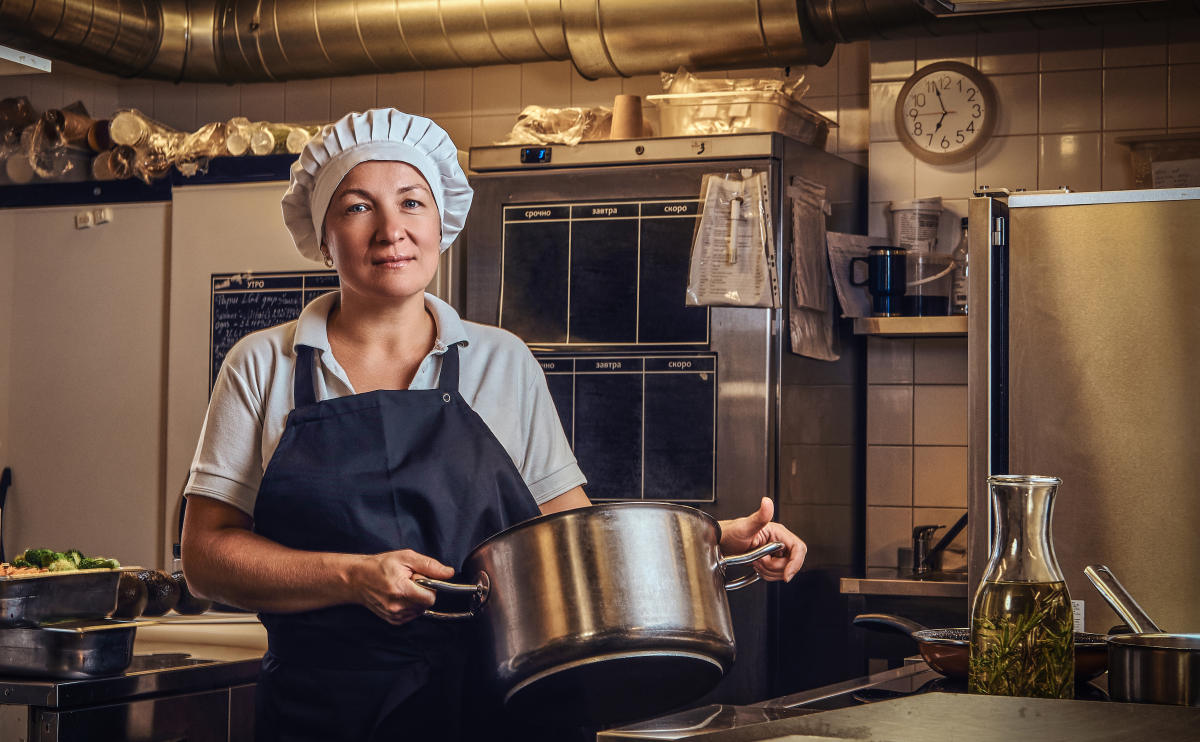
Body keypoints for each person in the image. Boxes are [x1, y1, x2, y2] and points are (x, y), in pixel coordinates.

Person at [180, 108, 808, 742]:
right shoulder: (263, 364)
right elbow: (205, 557)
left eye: (412, 203)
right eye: (358, 207)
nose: (391, 230)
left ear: (442, 223)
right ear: (322, 236)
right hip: (327, 710)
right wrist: (350, 577)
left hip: (500, 702)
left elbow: (572, 534)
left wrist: (711, 542)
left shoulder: (502, 360)